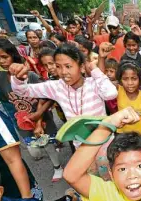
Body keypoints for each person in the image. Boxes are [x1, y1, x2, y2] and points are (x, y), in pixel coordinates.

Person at [10, 43, 118, 180]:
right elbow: (23, 91)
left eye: (68, 66)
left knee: (112, 179)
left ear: (82, 67)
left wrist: (95, 69)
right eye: (58, 66)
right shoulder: (56, 87)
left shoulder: (94, 83)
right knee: (93, 182)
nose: (63, 72)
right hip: (82, 148)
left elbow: (111, 94)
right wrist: (18, 78)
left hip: (105, 145)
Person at [0, 39, 63, 182]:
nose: (1, 61)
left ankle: (57, 167)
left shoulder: (30, 75)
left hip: (41, 118)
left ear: (13, 55)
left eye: (4, 57)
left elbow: (45, 97)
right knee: (35, 151)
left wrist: (38, 120)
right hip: (21, 122)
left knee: (48, 145)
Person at [115, 62, 141, 136]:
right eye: (125, 79)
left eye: (134, 79)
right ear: (120, 80)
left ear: (139, 80)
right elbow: (102, 80)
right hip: (122, 135)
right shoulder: (119, 90)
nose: (130, 83)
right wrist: (102, 58)